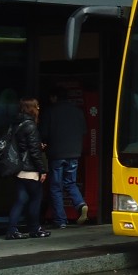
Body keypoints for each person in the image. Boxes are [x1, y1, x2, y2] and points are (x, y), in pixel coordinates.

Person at [42, 88, 89, 227]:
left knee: (56, 187)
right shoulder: (77, 112)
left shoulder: (50, 111)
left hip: (56, 154)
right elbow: (84, 131)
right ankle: (80, 204)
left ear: (54, 97)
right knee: (70, 183)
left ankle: (60, 220)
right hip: (74, 153)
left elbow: (44, 134)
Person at [6, 97, 49, 240]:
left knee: (20, 200)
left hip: (18, 169)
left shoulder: (16, 124)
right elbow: (34, 152)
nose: (39, 108)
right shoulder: (30, 126)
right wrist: (42, 170)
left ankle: (11, 230)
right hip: (30, 170)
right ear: (31, 108)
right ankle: (35, 228)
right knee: (36, 199)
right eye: (37, 106)